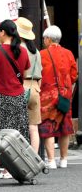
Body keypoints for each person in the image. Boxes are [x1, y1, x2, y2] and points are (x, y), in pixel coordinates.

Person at [0, 19, 30, 179]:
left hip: (1, 96)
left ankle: (6, 168)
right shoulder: (23, 51)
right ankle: (17, 166)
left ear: (3, 32)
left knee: (1, 133)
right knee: (16, 132)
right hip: (18, 96)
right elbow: (26, 71)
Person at [39, 26, 78, 169]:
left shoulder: (42, 54)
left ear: (48, 39)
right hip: (64, 96)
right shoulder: (68, 53)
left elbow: (39, 75)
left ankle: (51, 160)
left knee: (49, 126)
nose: (44, 41)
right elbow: (74, 75)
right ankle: (64, 160)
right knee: (64, 127)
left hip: (47, 96)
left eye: (44, 38)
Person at [16, 17, 42, 153]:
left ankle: (19, 158)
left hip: (20, 87)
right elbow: (40, 74)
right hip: (35, 87)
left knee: (18, 127)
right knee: (33, 128)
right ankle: (34, 158)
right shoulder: (36, 51)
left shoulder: (18, 49)